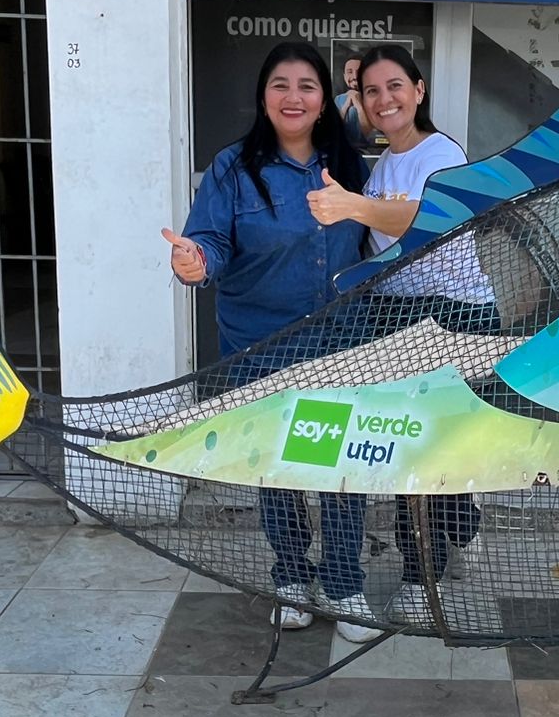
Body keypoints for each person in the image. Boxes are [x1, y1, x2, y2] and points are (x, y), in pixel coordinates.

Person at [163, 42, 381, 643]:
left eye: (307, 86)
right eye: (280, 85)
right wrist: (195, 261)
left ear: (323, 102)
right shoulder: (233, 168)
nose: (293, 97)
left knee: (341, 466)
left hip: (339, 342)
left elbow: (378, 237)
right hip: (262, 344)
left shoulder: (349, 164)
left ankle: (343, 583)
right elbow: (210, 241)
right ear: (263, 97)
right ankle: (291, 576)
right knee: (278, 465)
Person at [306, 43, 499, 626]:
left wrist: (352, 207)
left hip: (453, 317)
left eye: (395, 86)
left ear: (419, 90)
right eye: (371, 91)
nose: (383, 99)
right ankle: (462, 526)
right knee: (415, 446)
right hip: (396, 316)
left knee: (427, 452)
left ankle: (422, 576)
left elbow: (426, 220)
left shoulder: (442, 154)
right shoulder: (383, 164)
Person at [334, 52, 372, 152]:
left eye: (359, 71)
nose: (355, 76)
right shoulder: (338, 99)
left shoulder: (372, 98)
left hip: (367, 151)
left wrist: (357, 103)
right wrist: (347, 104)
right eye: (349, 72)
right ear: (344, 76)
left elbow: (368, 132)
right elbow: (334, 129)